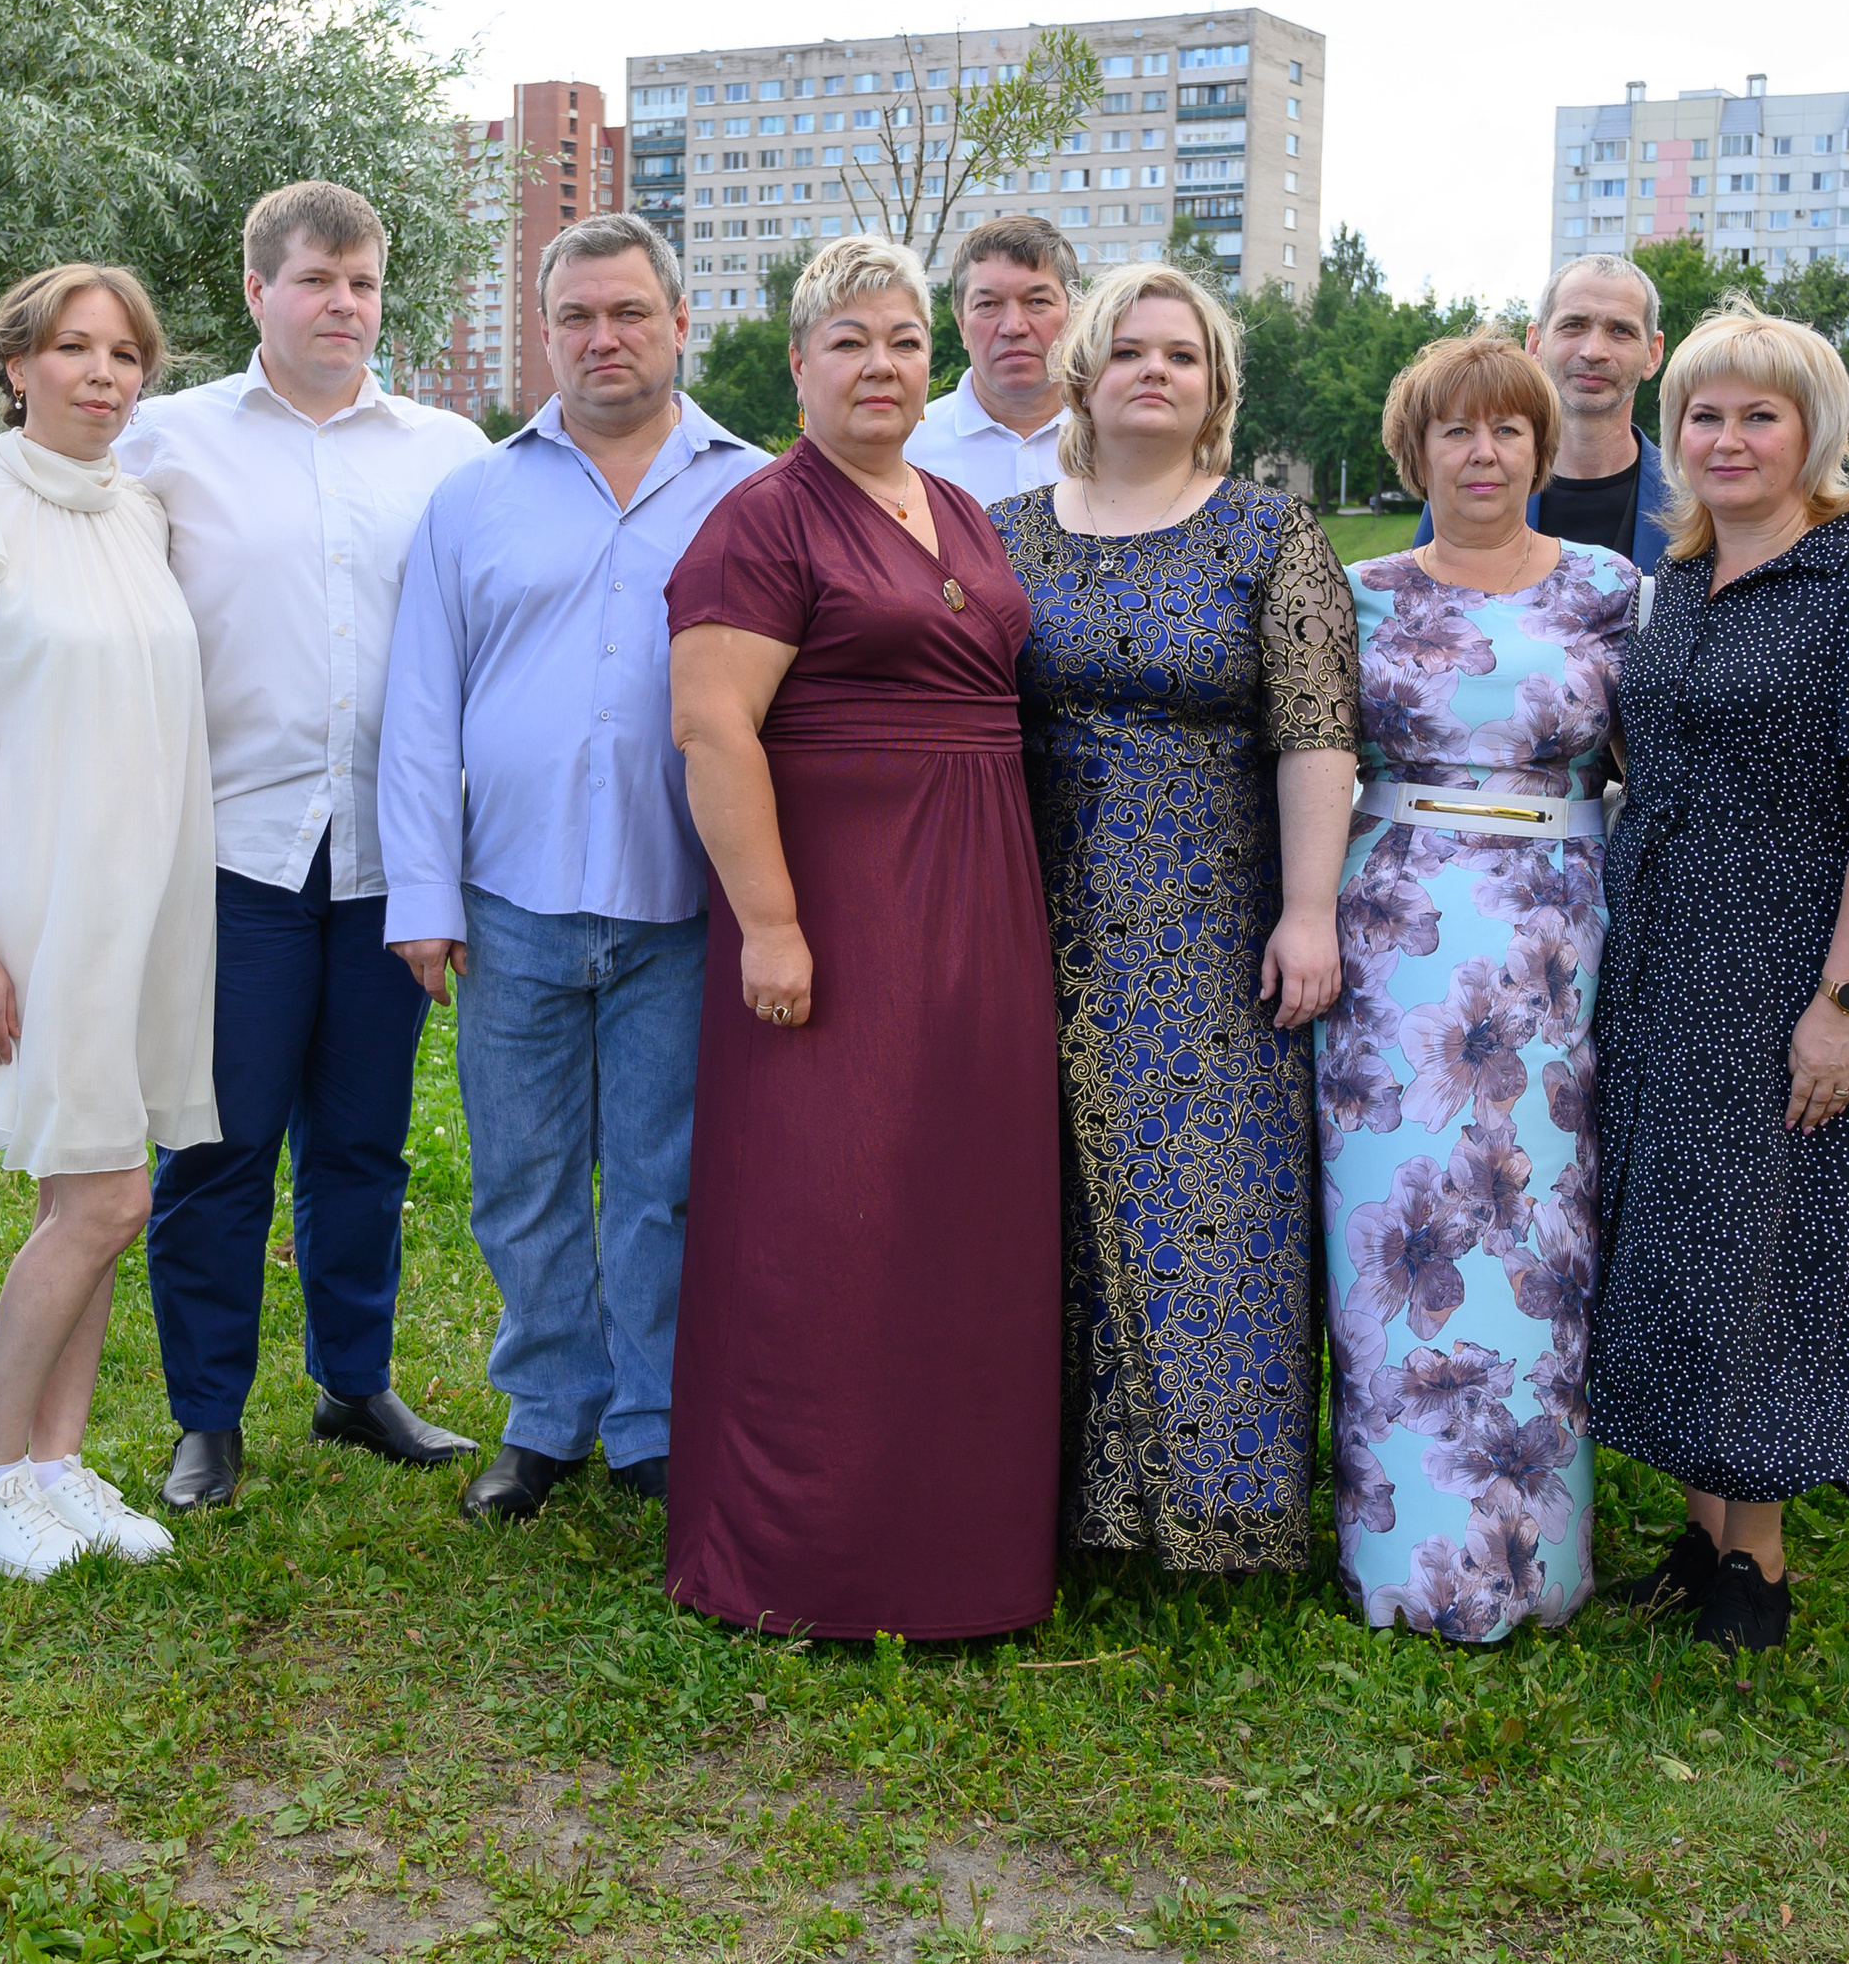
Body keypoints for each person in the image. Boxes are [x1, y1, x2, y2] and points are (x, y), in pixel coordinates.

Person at [663, 235, 1060, 1638]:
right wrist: (771, 922)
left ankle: (963, 1546)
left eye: (901, 340)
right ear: (798, 366)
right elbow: (713, 725)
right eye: (848, 342)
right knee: (828, 1215)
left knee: (962, 1214)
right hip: (836, 906)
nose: (879, 365)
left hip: (983, 905)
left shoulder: (959, 506)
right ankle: (809, 1556)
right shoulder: (760, 519)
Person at [381, 217, 766, 1521]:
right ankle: (548, 1414)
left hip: (680, 902)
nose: (603, 339)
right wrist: (422, 897)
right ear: (545, 334)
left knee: (661, 1186)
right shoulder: (474, 498)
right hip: (510, 904)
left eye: (628, 313)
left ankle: (654, 1421)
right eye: (576, 318)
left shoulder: (756, 493)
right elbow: (421, 709)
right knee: (522, 1181)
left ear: (678, 320)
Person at [116, 184, 489, 1508]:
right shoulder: (163, 440)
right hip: (233, 853)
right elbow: (61, 568)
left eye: (366, 282)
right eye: (320, 279)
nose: (346, 304)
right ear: (258, 288)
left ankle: (354, 1383)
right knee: (216, 1147)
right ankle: (206, 1415)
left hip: (390, 862)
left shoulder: (447, 451)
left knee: (364, 1145)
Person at [990, 262, 1358, 1574]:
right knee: (1051, 1208)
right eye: (1132, 349)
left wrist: (1309, 911)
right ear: (1084, 374)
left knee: (1213, 1204)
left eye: (1185, 355)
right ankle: (1070, 1509)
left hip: (1216, 921)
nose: (1157, 370)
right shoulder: (1003, 529)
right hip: (1037, 911)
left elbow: (1317, 733)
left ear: (1215, 389)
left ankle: (1222, 1515)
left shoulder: (1270, 535)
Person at [1591, 302, 1849, 1653]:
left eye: (1759, 415)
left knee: (1764, 1245)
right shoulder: (1679, 581)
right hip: (1665, 955)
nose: (1726, 438)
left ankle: (1762, 1564)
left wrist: (1843, 1002)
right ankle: (1698, 1535)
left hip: (1790, 956)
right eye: (1703, 414)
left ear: (1814, 434)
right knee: (1676, 1234)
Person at [0, 265, 214, 1579]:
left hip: (142, 894)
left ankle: (57, 1466)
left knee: (94, 1188)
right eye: (71, 349)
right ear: (14, 365)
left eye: (124, 354)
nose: (101, 374)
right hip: (33, 900)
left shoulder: (138, 513)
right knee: (106, 1197)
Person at [1320, 333, 1632, 1641]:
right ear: (1416, 451)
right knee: (1396, 1239)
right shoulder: (1357, 592)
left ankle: (1532, 1563)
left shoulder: (1610, 589)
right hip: (1395, 937)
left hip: (1553, 943)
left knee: (1537, 1240)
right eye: (1457, 430)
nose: (1485, 452)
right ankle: (1396, 1562)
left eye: (1508, 429)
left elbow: (1657, 768)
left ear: (1540, 446)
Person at [1412, 255, 1671, 568]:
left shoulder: (1694, 502)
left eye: (1620, 331)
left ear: (1653, 354)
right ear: (1535, 344)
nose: (1593, 351)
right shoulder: (1472, 485)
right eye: (1574, 325)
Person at [905, 215, 1076, 504]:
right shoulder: (907, 452)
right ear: (961, 325)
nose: (1013, 327)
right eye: (988, 304)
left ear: (1075, 315)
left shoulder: (1118, 439)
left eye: (1037, 302)